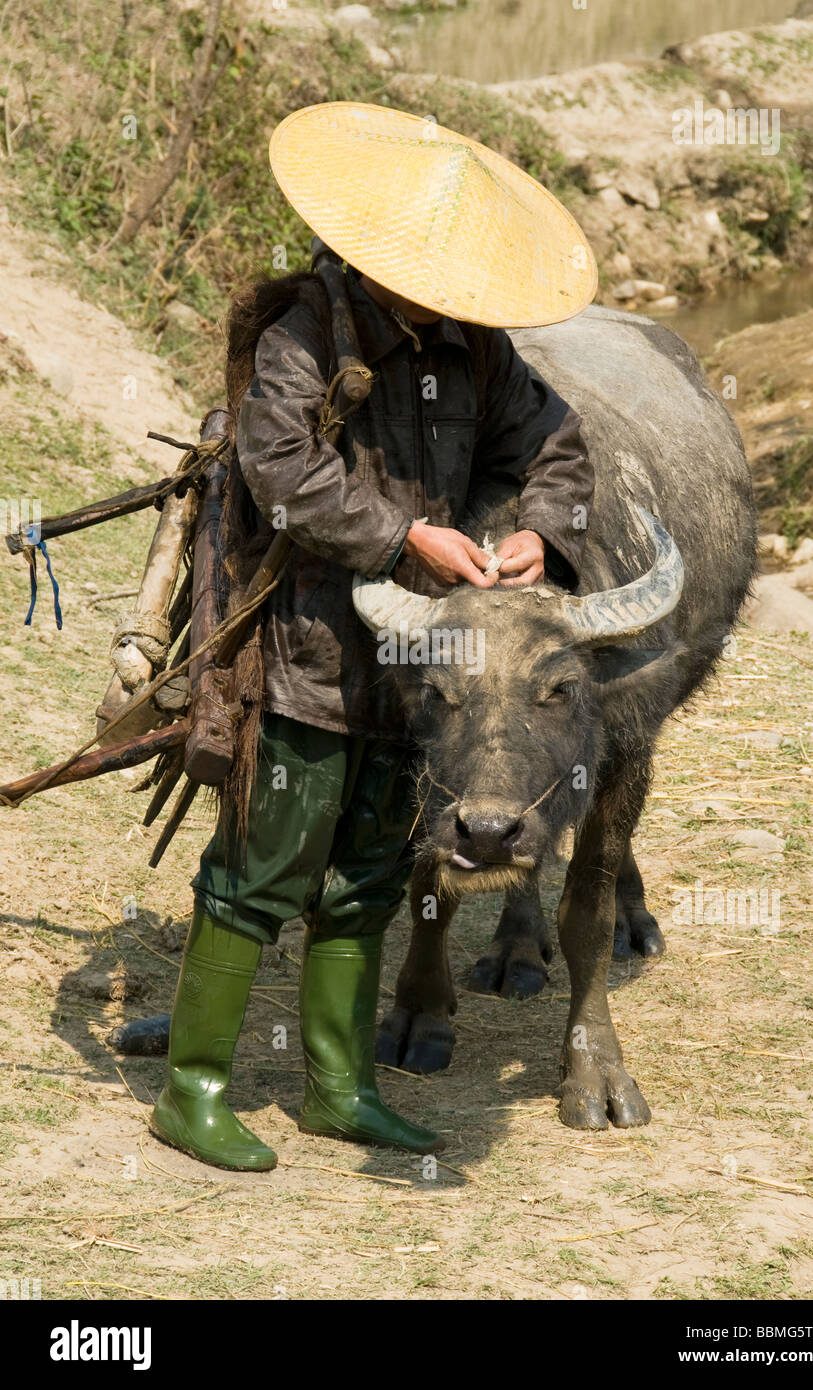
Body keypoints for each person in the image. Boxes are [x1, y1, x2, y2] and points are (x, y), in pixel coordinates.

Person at [149, 101, 597, 1171]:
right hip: (307, 646)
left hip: (423, 670)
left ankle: (338, 1088)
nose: (440, 301)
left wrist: (539, 529)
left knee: (367, 874)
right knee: (263, 868)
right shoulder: (300, 339)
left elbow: (558, 449)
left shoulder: (476, 354)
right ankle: (194, 1089)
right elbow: (283, 476)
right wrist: (407, 536)